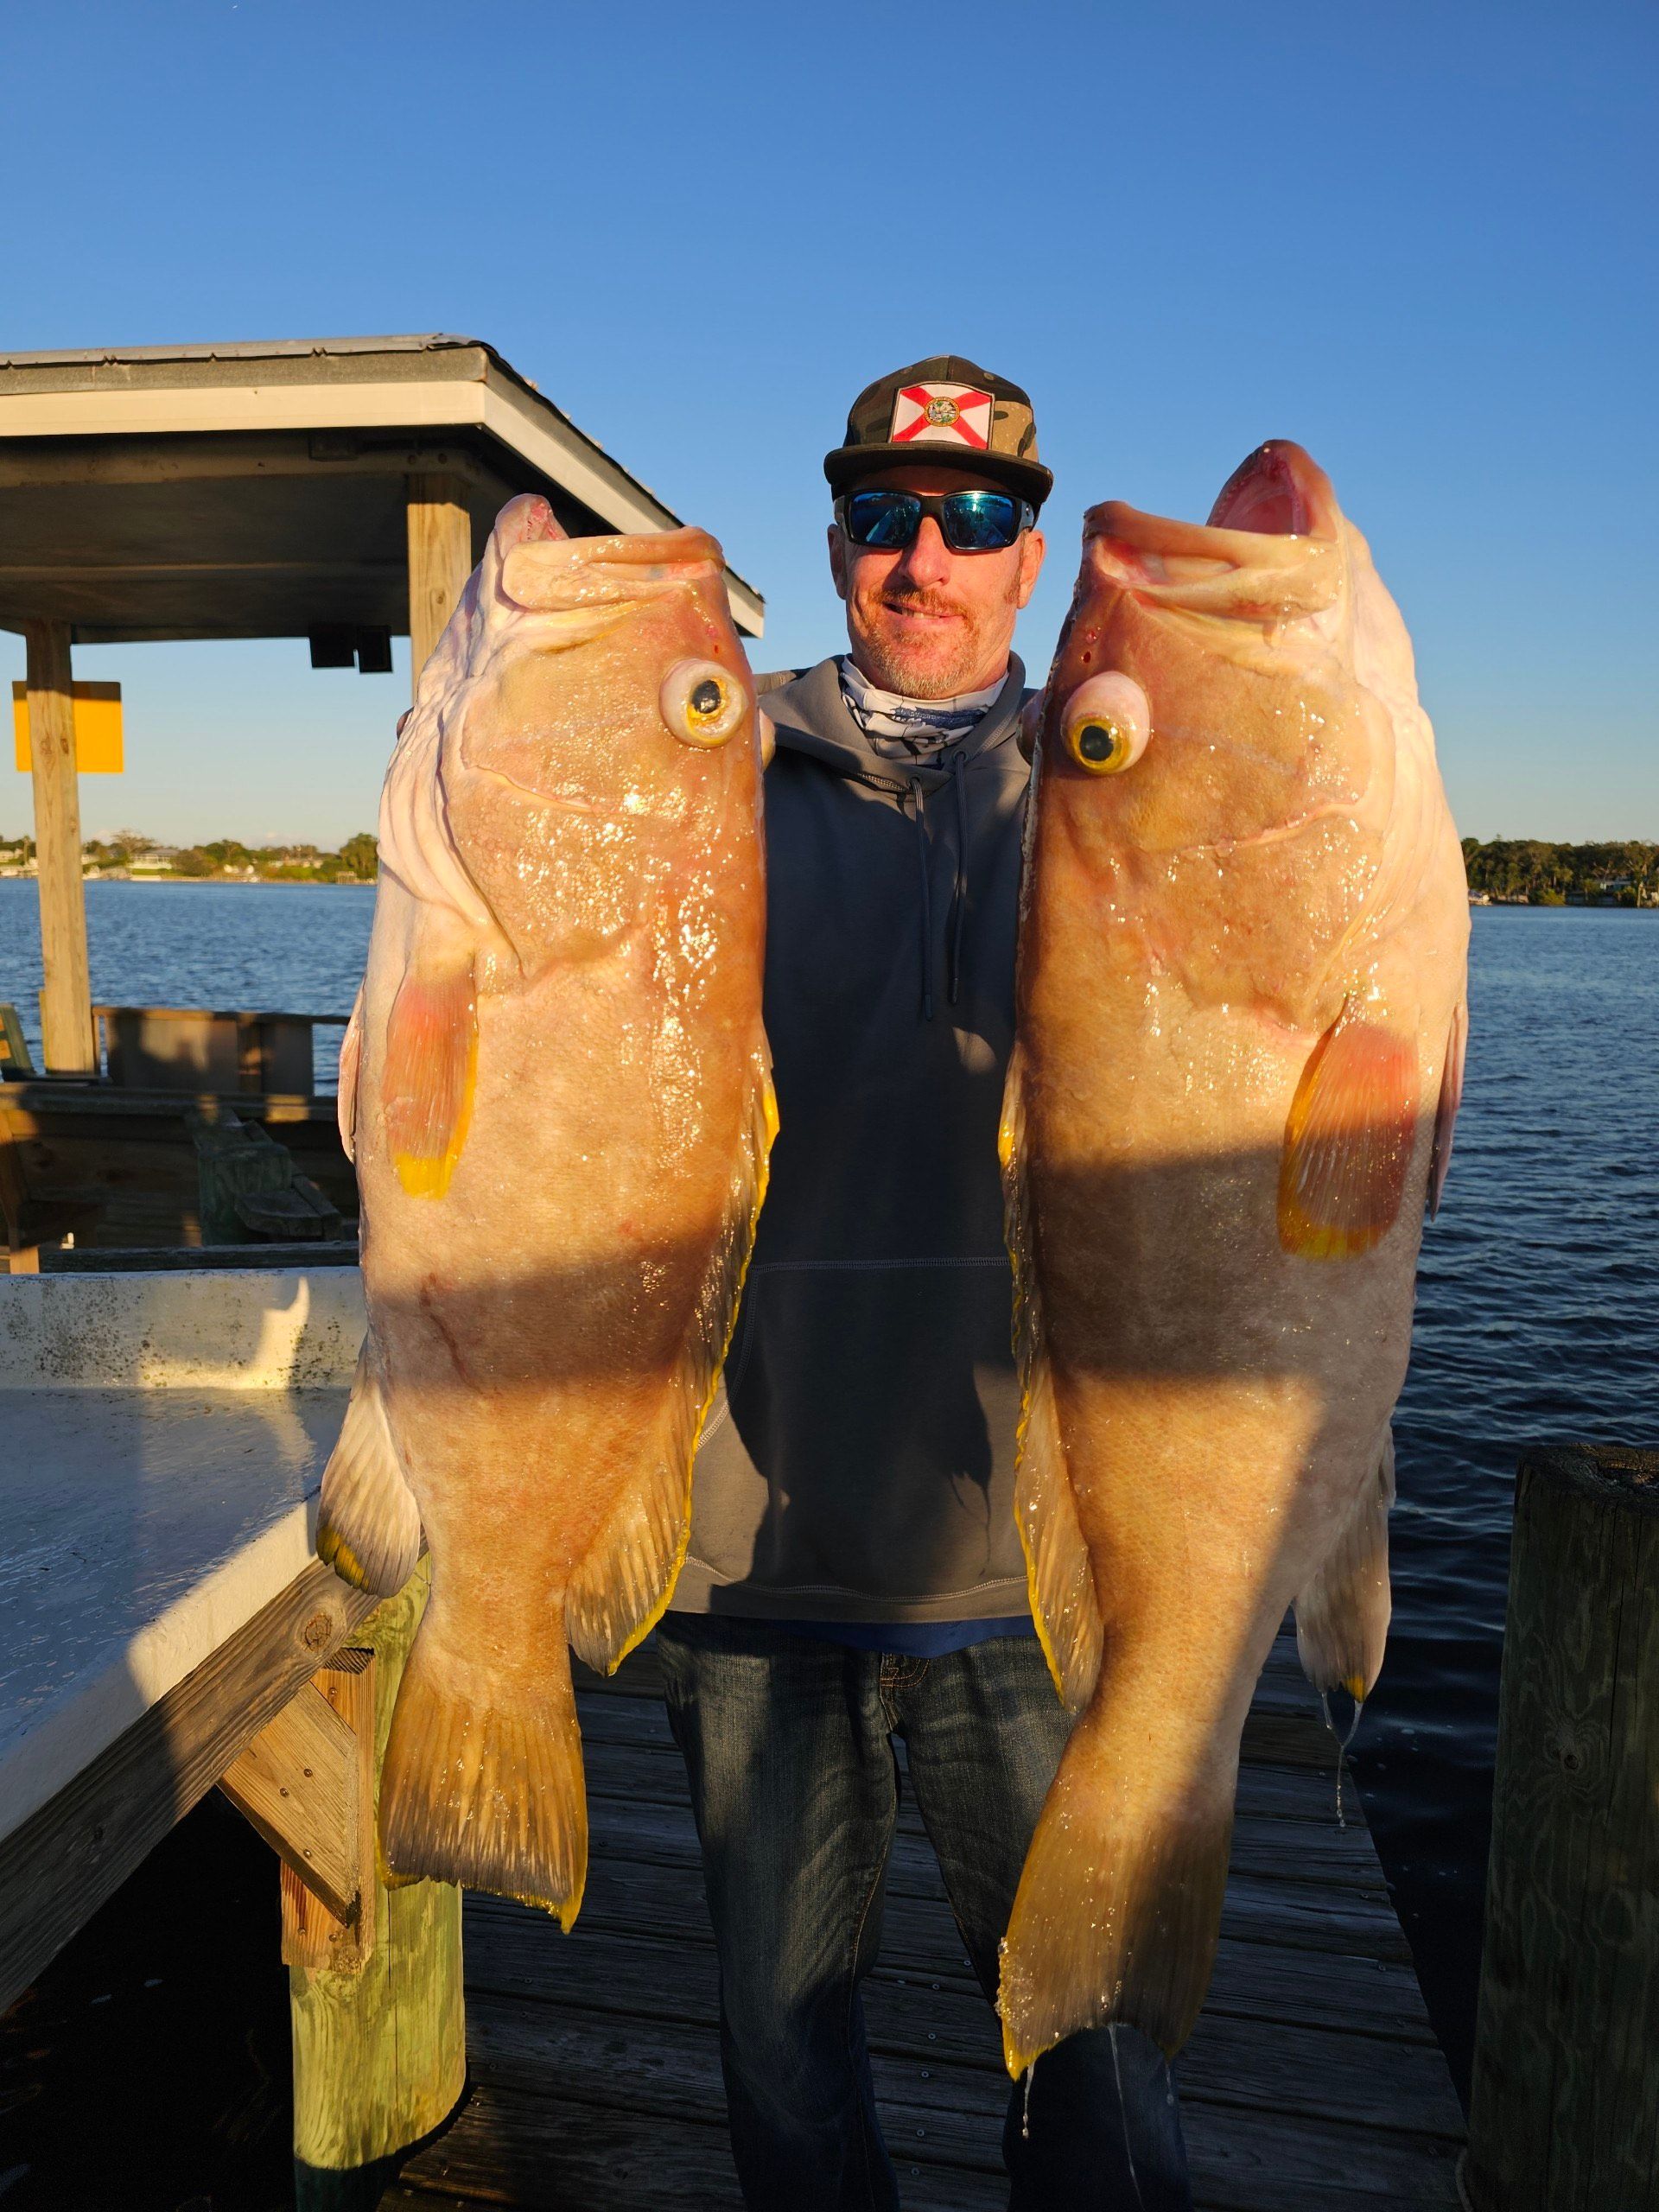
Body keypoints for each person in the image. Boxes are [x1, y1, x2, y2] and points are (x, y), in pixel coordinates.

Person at [655, 358, 1193, 2212]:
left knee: (1099, 2059)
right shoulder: (704, 767)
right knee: (784, 2057)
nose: (922, 556)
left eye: (970, 519)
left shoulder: (1136, 784)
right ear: (833, 543)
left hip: (1040, 1561)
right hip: (751, 1544)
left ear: (1029, 557)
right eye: (885, 514)